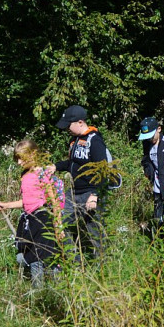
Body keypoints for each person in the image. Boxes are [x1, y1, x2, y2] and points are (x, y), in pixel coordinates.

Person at [0, 140, 65, 288]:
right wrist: (7, 205)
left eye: (22, 158)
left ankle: (44, 290)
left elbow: (54, 201)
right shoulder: (25, 175)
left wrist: (58, 226)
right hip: (30, 220)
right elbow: (27, 201)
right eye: (17, 159)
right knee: (27, 255)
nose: (19, 162)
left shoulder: (42, 174)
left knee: (40, 256)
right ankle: (46, 286)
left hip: (43, 218)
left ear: (32, 154)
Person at [52, 105, 108, 260]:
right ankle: (75, 262)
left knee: (95, 232)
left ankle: (103, 265)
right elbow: (72, 163)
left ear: (80, 122)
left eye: (69, 125)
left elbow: (102, 169)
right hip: (74, 192)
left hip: (90, 193)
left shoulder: (95, 140)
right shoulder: (74, 140)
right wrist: (55, 166)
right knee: (61, 224)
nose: (66, 129)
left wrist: (95, 195)